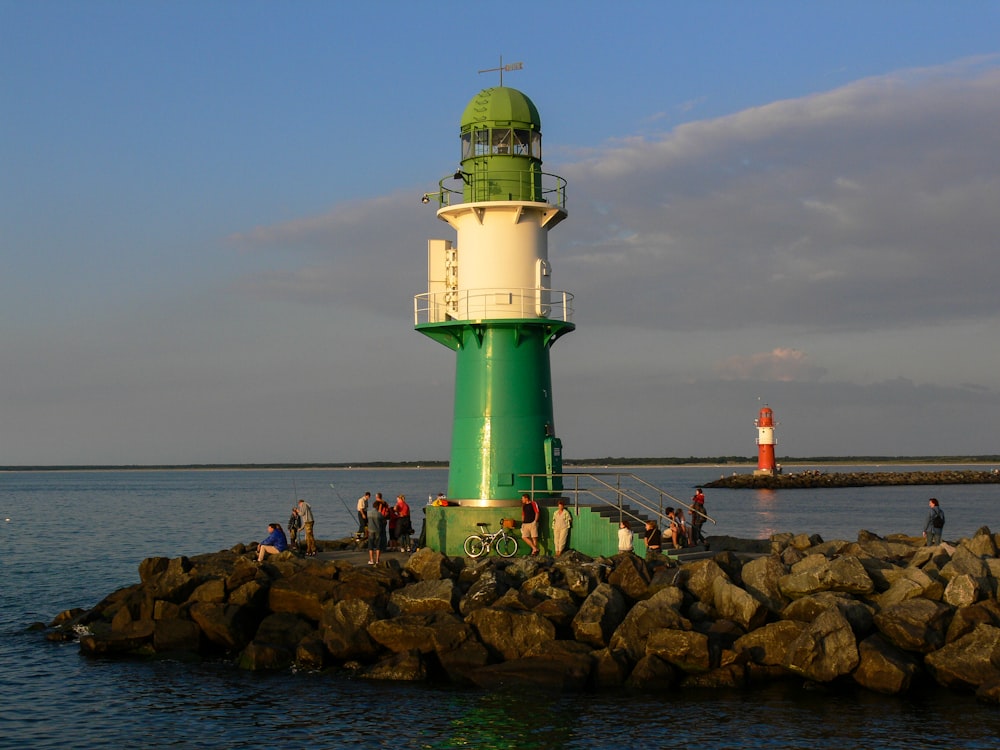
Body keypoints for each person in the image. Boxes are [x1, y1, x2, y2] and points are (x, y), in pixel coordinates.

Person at [367, 499, 383, 565]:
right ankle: (377, 560)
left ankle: (371, 560)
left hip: (370, 530)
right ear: (378, 506)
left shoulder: (368, 513)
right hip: (378, 530)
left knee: (371, 545)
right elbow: (382, 521)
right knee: (378, 545)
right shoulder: (379, 514)